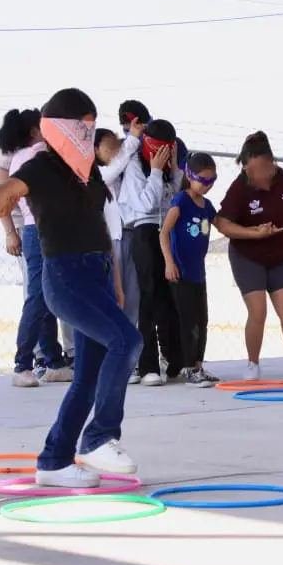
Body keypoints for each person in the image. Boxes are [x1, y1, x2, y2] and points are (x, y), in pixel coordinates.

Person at [0, 87, 143, 488]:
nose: (91, 132)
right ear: (63, 126)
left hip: (97, 275)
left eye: (92, 124)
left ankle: (53, 461)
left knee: (87, 374)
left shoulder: (88, 172)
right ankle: (100, 437)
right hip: (65, 277)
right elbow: (6, 194)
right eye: (84, 124)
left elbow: (101, 230)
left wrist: (114, 282)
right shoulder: (41, 166)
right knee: (127, 341)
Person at [214, 131, 283, 383]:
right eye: (249, 170)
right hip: (247, 256)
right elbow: (221, 224)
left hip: (278, 255)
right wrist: (252, 233)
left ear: (271, 163)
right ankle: (252, 364)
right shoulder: (239, 188)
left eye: (260, 169)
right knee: (258, 311)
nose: (255, 176)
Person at [2, 110, 74, 388]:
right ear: (35, 130)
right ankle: (23, 364)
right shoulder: (39, 154)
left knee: (44, 297)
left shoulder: (19, 157)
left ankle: (53, 361)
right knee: (38, 297)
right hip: (44, 230)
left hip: (34, 231)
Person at [118, 119, 184, 386]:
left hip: (167, 233)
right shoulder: (135, 166)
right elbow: (145, 204)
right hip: (144, 232)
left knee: (169, 297)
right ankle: (147, 366)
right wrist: (155, 171)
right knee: (148, 296)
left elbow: (174, 198)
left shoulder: (170, 169)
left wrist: (174, 168)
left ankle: (173, 358)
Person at [160, 152, 220, 387]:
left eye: (212, 180)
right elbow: (164, 232)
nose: (207, 186)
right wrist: (169, 262)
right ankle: (186, 367)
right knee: (187, 321)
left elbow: (222, 224)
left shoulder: (207, 206)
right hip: (181, 271)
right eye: (203, 180)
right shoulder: (181, 200)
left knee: (202, 320)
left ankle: (198, 365)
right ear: (189, 175)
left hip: (198, 272)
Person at [96, 126, 143, 330]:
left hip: (132, 235)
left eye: (118, 143)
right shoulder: (97, 173)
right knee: (115, 292)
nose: (116, 149)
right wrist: (132, 140)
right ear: (95, 149)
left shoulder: (127, 169)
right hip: (112, 240)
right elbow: (110, 171)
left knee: (133, 293)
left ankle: (129, 341)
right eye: (110, 145)